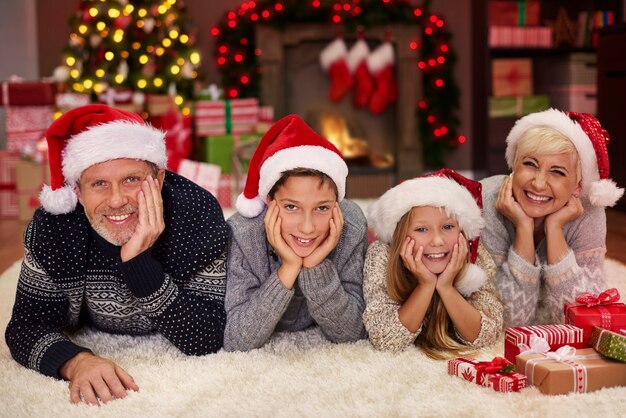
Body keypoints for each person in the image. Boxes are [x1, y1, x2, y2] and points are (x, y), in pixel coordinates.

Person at [5, 104, 229, 405]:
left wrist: (139, 263)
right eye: (99, 184)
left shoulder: (197, 214)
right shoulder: (54, 226)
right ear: (78, 191)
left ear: (159, 180)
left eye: (132, 180)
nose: (116, 200)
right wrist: (76, 361)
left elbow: (209, 337)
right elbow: (25, 326)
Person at [224, 114, 368, 351]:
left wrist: (315, 265)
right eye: (292, 207)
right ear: (269, 201)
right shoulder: (243, 232)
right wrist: (288, 267)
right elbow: (237, 340)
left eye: (322, 208)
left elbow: (352, 332)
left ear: (337, 204)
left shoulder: (350, 226)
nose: (307, 227)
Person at [480, 109, 624, 327]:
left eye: (557, 172)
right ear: (514, 166)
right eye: (529, 164)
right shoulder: (489, 201)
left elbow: (584, 319)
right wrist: (523, 229)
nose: (538, 183)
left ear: (578, 186)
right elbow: (508, 320)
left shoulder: (589, 211)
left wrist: (555, 230)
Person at [363, 169, 503, 358]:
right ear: (400, 235)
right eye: (421, 229)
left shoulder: (473, 255)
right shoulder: (382, 255)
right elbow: (386, 340)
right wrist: (426, 284)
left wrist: (446, 287)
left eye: (447, 227)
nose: (437, 241)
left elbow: (487, 335)